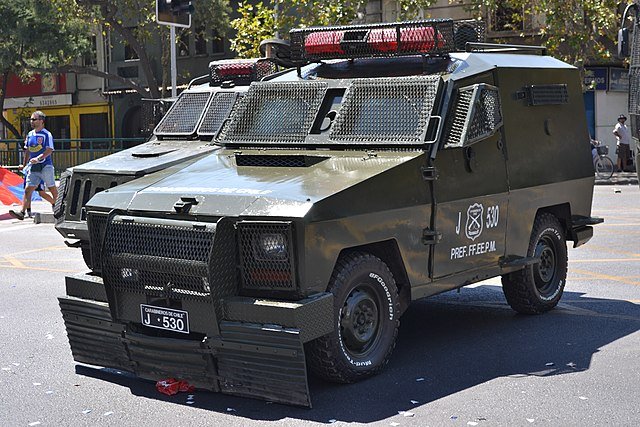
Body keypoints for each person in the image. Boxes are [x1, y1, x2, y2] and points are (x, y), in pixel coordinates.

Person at [9, 111, 58, 220]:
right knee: (28, 189)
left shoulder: (47, 134)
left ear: (41, 121)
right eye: (31, 120)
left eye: (34, 119)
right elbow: (27, 151)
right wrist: (24, 164)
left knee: (51, 188)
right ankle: (22, 212)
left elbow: (49, 150)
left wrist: (39, 158)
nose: (32, 122)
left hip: (45, 165)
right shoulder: (30, 134)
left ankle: (59, 207)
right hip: (33, 167)